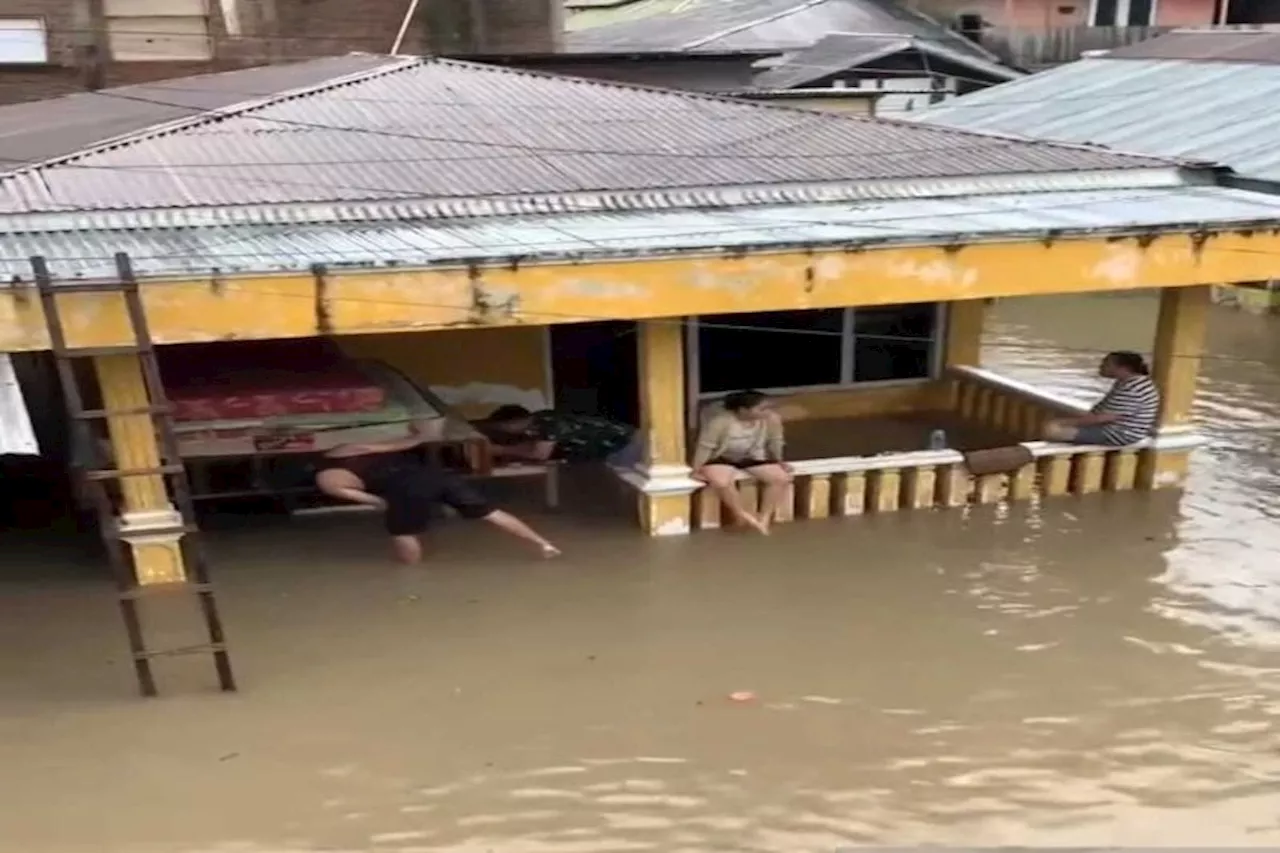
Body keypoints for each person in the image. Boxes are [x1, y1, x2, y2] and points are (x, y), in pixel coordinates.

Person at [314, 419, 560, 564]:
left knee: (402, 532)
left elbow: (377, 502)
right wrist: (418, 434)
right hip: (434, 474)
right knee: (490, 512)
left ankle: (413, 572)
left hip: (404, 488)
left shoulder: (326, 481)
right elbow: (403, 444)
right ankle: (544, 545)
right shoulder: (344, 449)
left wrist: (400, 511)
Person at [690, 390, 793, 535]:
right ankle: (742, 514)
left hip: (752, 456)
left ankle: (764, 517)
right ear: (743, 410)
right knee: (721, 482)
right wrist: (696, 469)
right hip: (722, 457)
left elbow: (776, 441)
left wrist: (779, 460)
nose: (767, 411)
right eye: (762, 408)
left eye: (768, 408)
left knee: (781, 478)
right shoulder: (720, 422)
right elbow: (705, 446)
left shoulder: (772, 419)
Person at [1043, 351, 1161, 446]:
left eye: (1106, 364)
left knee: (1052, 430)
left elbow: (1104, 417)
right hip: (1115, 428)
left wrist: (1064, 423)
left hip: (1119, 434)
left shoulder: (1133, 386)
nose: (1101, 366)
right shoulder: (1131, 382)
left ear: (1122, 368)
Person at [475, 404, 643, 469]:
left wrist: (500, 450)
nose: (505, 432)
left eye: (503, 427)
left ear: (514, 422)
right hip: (617, 444)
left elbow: (540, 453)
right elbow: (534, 448)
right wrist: (502, 451)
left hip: (627, 442)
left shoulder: (547, 422)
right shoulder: (538, 420)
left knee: (626, 482)